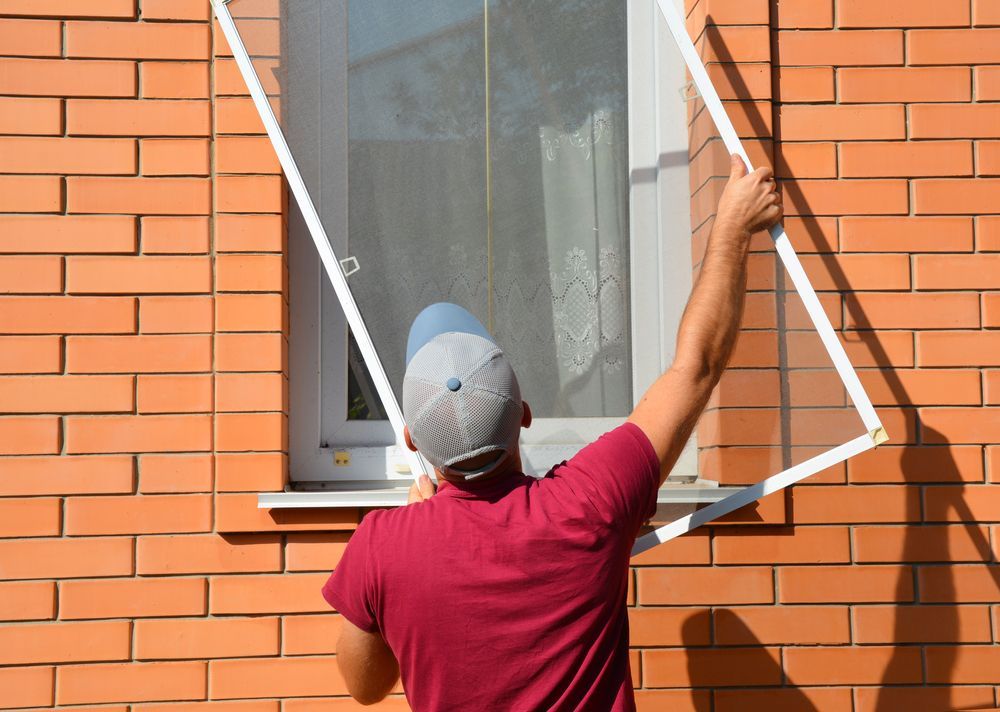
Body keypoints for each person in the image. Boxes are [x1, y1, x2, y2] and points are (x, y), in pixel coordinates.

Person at [321, 154, 782, 710]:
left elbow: (364, 687)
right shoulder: (590, 500)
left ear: (412, 440)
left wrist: (401, 562)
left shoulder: (383, 545)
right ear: (524, 413)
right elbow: (697, 366)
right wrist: (732, 227)